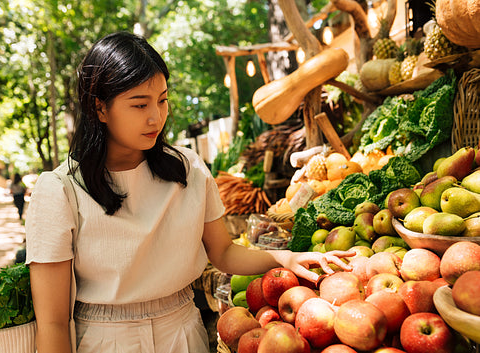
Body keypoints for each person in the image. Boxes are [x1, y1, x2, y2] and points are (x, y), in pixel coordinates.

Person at [25, 31, 354, 353]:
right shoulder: (60, 191)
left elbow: (222, 252)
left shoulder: (187, 168)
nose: (156, 117)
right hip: (104, 339)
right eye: (139, 105)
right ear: (99, 108)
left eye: (163, 100)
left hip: (183, 331)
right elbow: (53, 322)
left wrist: (287, 258)